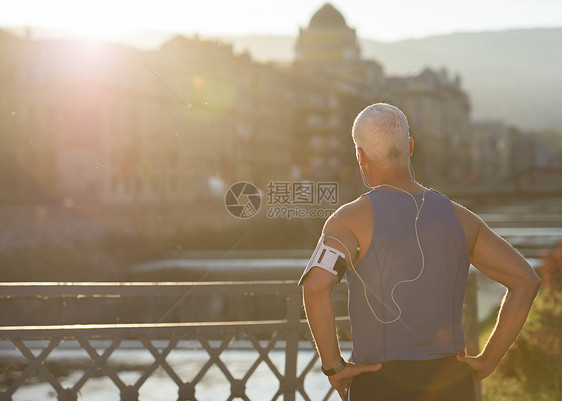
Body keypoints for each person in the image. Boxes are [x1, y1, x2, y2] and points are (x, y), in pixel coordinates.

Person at [299, 103, 541, 401]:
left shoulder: (347, 220)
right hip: (450, 383)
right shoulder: (461, 218)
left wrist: (334, 367)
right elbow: (526, 281)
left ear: (360, 155)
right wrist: (487, 360)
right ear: (410, 147)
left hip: (378, 384)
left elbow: (315, 286)